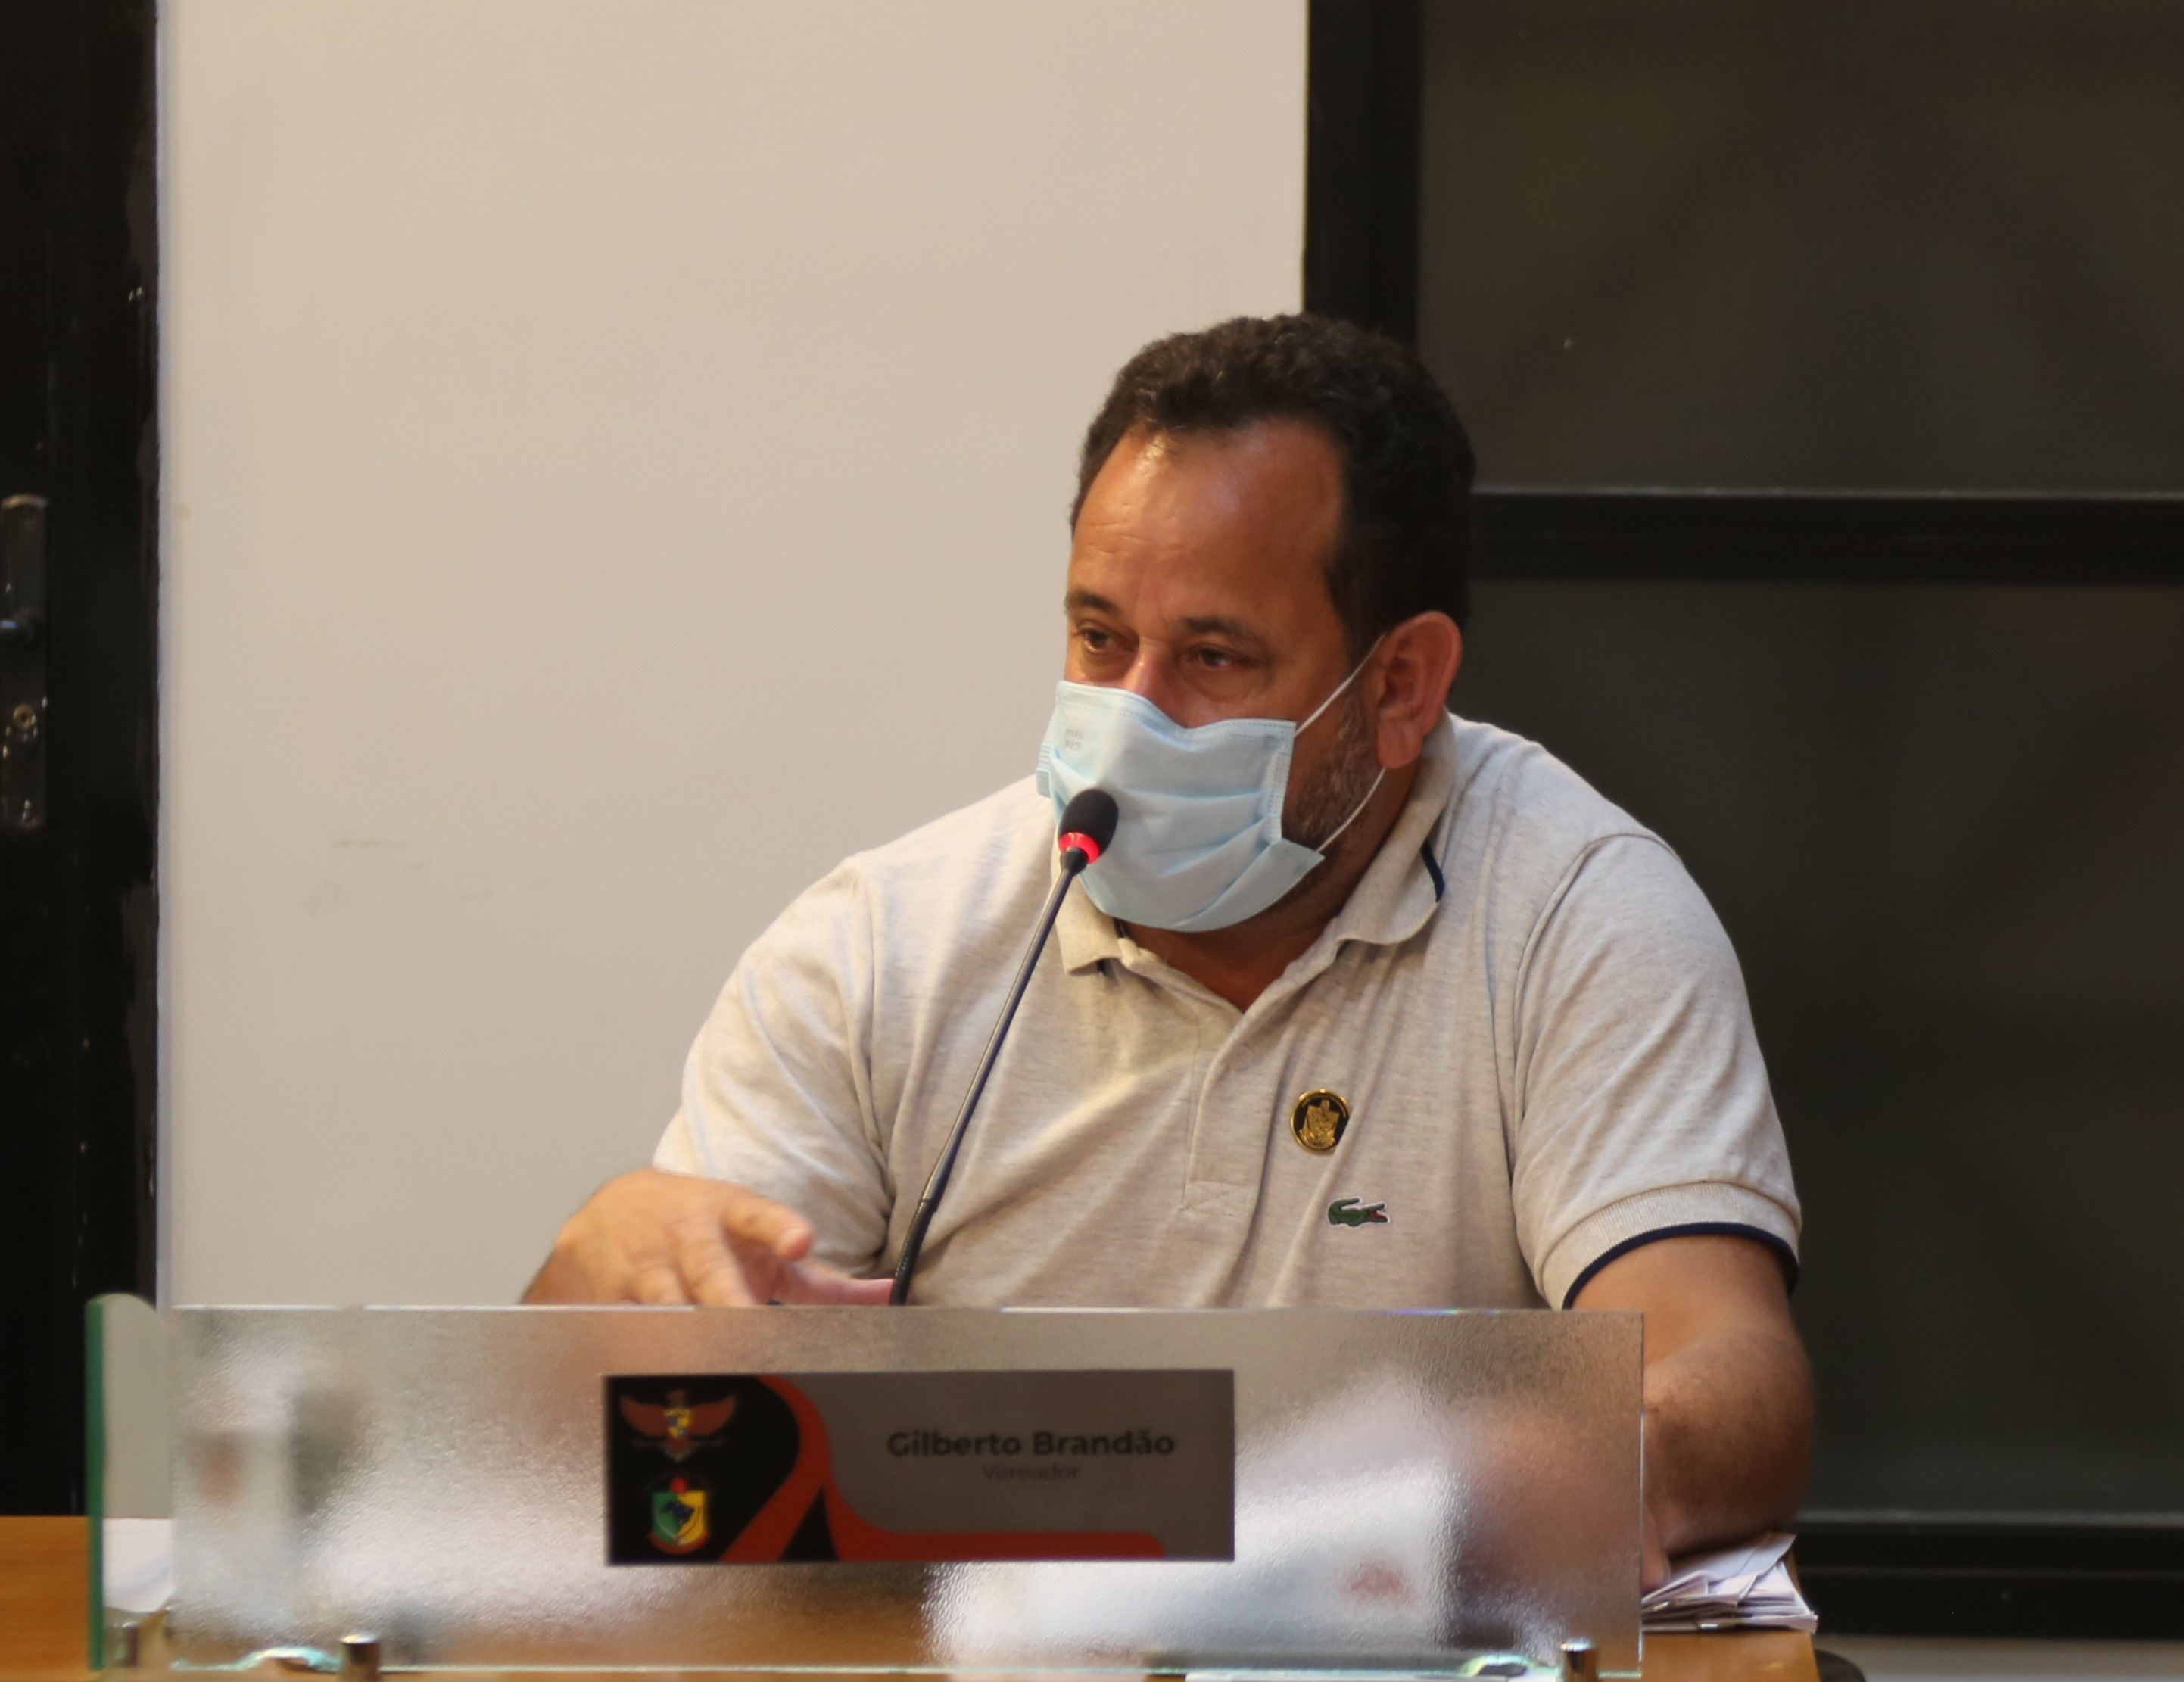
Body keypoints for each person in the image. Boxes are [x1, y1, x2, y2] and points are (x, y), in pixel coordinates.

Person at [526, 314, 1812, 1569]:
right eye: (1099, 638)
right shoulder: (878, 946)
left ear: (1399, 684)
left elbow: (1726, 1364)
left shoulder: (1577, 913)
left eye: (1211, 656)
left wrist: (1618, 1461)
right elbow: (628, 1455)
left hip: (1404, 1668)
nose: (1128, 720)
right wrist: (588, 1301)